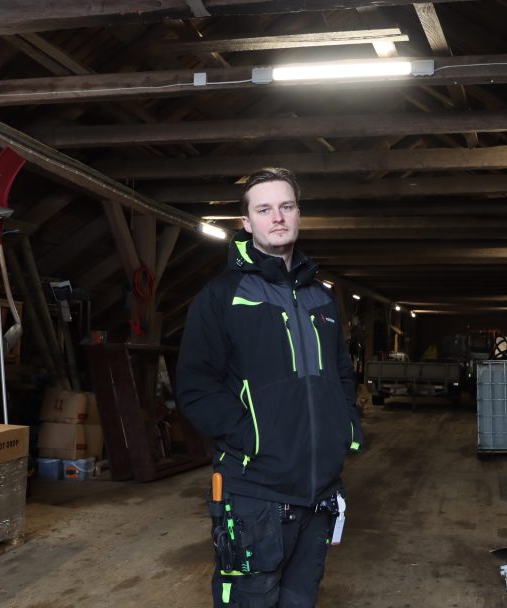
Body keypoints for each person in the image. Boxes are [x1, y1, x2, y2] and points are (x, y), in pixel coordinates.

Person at [177, 167, 362, 607]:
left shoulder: (322, 298)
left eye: (286, 206)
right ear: (247, 223)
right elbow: (196, 386)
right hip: (254, 494)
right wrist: (254, 439)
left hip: (319, 494)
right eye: (264, 209)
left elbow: (341, 375)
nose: (276, 217)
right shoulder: (223, 295)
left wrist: (347, 431)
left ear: (298, 215)